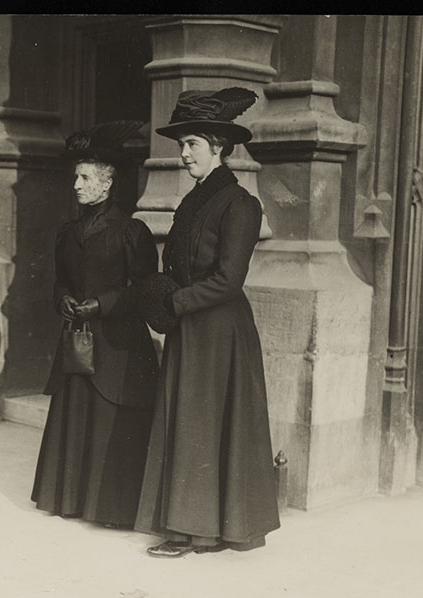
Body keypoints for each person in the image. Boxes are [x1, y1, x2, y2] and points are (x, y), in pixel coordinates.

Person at [134, 88, 281, 557]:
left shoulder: (239, 204)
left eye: (191, 144)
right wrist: (161, 295)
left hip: (219, 331)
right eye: (182, 145)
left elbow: (228, 280)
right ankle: (186, 525)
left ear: (217, 146)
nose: (182, 154)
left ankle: (199, 531)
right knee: (187, 420)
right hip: (189, 326)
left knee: (204, 423)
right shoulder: (194, 201)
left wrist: (174, 303)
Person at [31, 121, 159, 529]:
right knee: (77, 413)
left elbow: (143, 290)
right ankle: (70, 499)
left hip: (118, 344)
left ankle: (108, 508)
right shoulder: (67, 233)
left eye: (84, 178)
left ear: (106, 184)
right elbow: (60, 281)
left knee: (109, 422)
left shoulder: (131, 232)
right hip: (78, 343)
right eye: (76, 177)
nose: (76, 185)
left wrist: (100, 305)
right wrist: (64, 299)